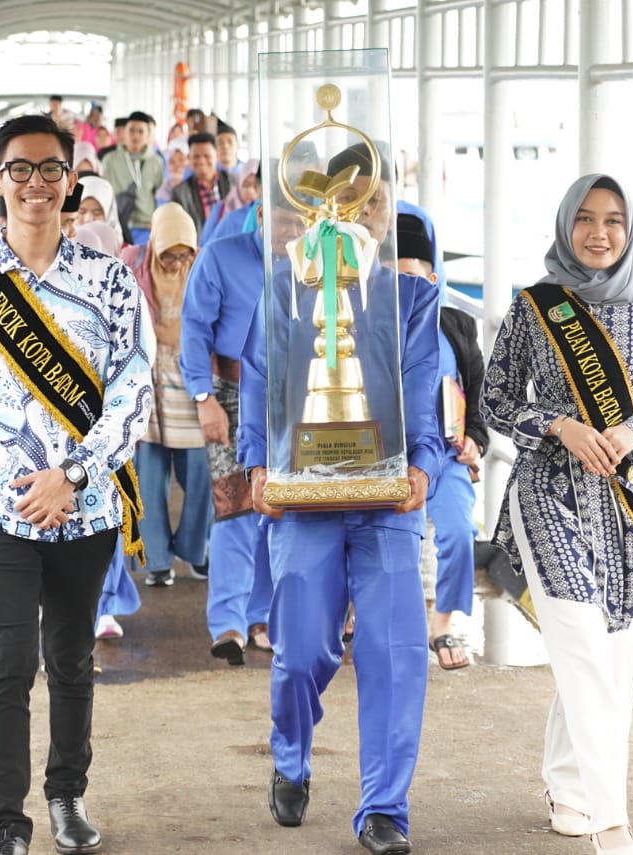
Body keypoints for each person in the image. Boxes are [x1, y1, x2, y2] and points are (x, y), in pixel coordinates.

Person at [0, 113, 153, 855]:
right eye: (19, 170)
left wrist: (75, 476)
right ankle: (6, 820)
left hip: (85, 506)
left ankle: (67, 794)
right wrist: (21, 483)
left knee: (70, 657)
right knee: (9, 659)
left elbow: (133, 385)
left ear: (71, 182)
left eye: (50, 170)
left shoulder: (110, 279)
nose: (34, 184)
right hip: (2, 510)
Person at [479, 173, 633, 855]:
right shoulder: (534, 306)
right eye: (584, 218)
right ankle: (612, 822)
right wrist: (556, 425)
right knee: (579, 640)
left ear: (629, 230)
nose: (599, 233)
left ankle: (568, 784)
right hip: (546, 492)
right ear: (564, 225)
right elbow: (493, 399)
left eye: (613, 220)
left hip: (625, 504)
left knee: (608, 650)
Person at [238, 141, 444, 855]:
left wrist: (423, 462)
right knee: (301, 648)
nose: (364, 211)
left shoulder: (413, 295)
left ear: (388, 211)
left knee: (393, 649)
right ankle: (291, 752)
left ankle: (384, 806)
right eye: (349, 197)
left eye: (377, 200)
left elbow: (422, 384)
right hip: (303, 493)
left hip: (385, 499)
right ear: (322, 205)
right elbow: (261, 379)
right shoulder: (286, 287)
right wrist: (257, 464)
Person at [179, 188, 306, 664]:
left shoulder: (310, 263)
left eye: (300, 225)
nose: (292, 234)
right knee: (234, 507)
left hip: (292, 394)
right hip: (229, 391)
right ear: (259, 214)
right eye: (283, 223)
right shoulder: (220, 256)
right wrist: (203, 398)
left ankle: (263, 617)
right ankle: (227, 622)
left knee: (280, 504)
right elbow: (193, 329)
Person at [395, 211, 487, 670]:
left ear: (432, 278)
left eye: (412, 279)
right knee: (387, 540)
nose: (403, 290)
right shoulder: (371, 329)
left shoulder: (456, 325)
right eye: (392, 280)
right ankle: (371, 615)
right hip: (391, 458)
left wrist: (476, 442)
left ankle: (443, 622)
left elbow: (480, 394)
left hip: (448, 454)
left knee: (457, 533)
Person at [120, 203, 213, 589]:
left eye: (183, 255)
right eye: (168, 255)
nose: (176, 264)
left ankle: (197, 549)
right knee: (147, 474)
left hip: (193, 377)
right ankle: (156, 558)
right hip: (148, 380)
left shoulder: (206, 269)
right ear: (155, 246)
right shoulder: (132, 267)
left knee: (203, 472)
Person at [100, 110, 165, 245]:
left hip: (146, 225)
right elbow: (104, 193)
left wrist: (157, 221)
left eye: (141, 131)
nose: (135, 135)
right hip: (118, 224)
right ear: (124, 133)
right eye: (131, 131)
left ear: (148, 135)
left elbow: (160, 194)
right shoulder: (110, 160)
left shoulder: (155, 161)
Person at [169, 132, 231, 238]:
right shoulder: (180, 193)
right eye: (196, 156)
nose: (201, 161)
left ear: (216, 155)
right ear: (189, 158)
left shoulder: (233, 182)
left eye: (207, 156)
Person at [203, 158, 260, 242]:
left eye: (256, 185)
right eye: (246, 184)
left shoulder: (265, 213)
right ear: (238, 184)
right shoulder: (222, 209)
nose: (251, 191)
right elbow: (206, 244)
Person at [75, 174, 122, 241]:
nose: (88, 220)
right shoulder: (58, 248)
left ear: (109, 215)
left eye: (97, 213)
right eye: (81, 212)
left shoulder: (122, 250)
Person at [154, 137, 189, 206]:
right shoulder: (162, 193)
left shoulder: (197, 188)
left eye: (181, 160)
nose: (177, 165)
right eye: (172, 161)